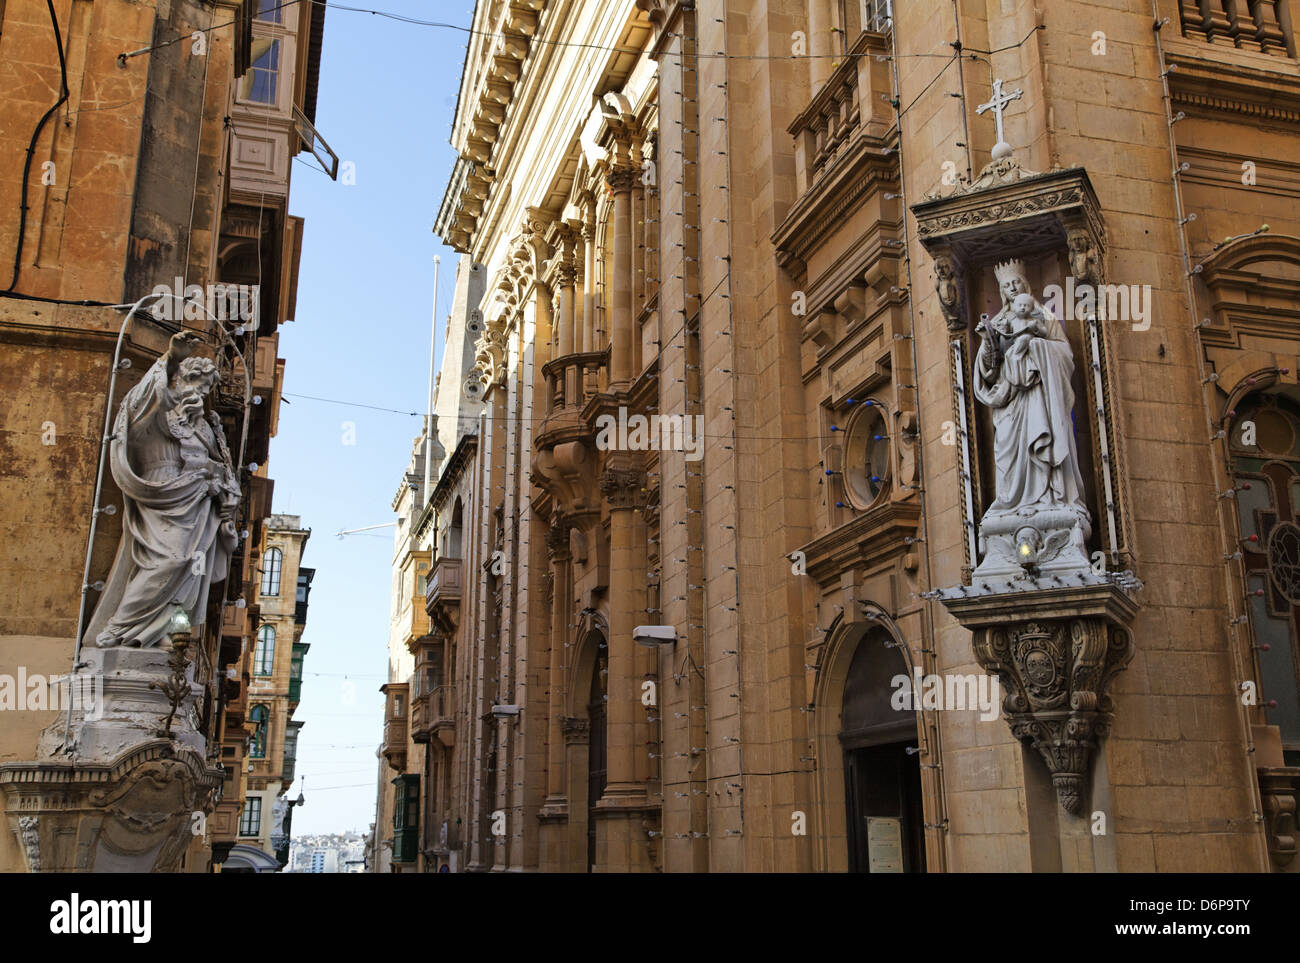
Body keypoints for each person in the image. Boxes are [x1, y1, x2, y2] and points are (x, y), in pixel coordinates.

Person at [85, 331, 240, 648]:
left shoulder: (205, 427)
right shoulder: (160, 411)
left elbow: (217, 466)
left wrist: (224, 489)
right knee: (170, 559)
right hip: (162, 492)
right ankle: (120, 626)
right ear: (181, 380)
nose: (201, 393)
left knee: (188, 566)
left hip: (196, 502)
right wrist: (170, 358)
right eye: (197, 383)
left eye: (207, 388)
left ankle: (162, 629)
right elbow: (136, 406)